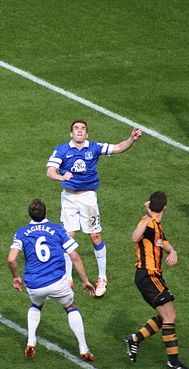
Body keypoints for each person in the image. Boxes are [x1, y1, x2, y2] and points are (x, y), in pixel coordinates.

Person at [46, 119, 141, 297]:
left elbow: (118, 148)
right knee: (67, 237)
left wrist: (132, 139)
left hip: (88, 197)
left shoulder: (94, 148)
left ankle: (102, 277)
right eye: (76, 128)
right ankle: (68, 278)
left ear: (87, 134)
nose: (79, 131)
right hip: (68, 198)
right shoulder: (62, 150)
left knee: (95, 236)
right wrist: (60, 177)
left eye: (82, 129)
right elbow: (50, 170)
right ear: (71, 133)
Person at [7, 198, 97, 361]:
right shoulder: (58, 230)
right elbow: (74, 256)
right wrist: (85, 280)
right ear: (46, 212)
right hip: (57, 282)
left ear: (29, 215)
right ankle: (83, 348)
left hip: (34, 284)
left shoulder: (21, 232)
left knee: (36, 305)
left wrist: (16, 277)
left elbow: (11, 259)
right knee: (70, 307)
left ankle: (31, 342)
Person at [123, 191, 189, 369]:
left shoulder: (156, 226)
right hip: (148, 276)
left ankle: (135, 339)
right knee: (169, 317)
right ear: (165, 206)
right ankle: (173, 363)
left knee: (167, 317)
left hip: (152, 276)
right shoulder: (147, 222)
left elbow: (162, 242)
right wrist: (147, 216)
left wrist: (173, 252)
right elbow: (134, 237)